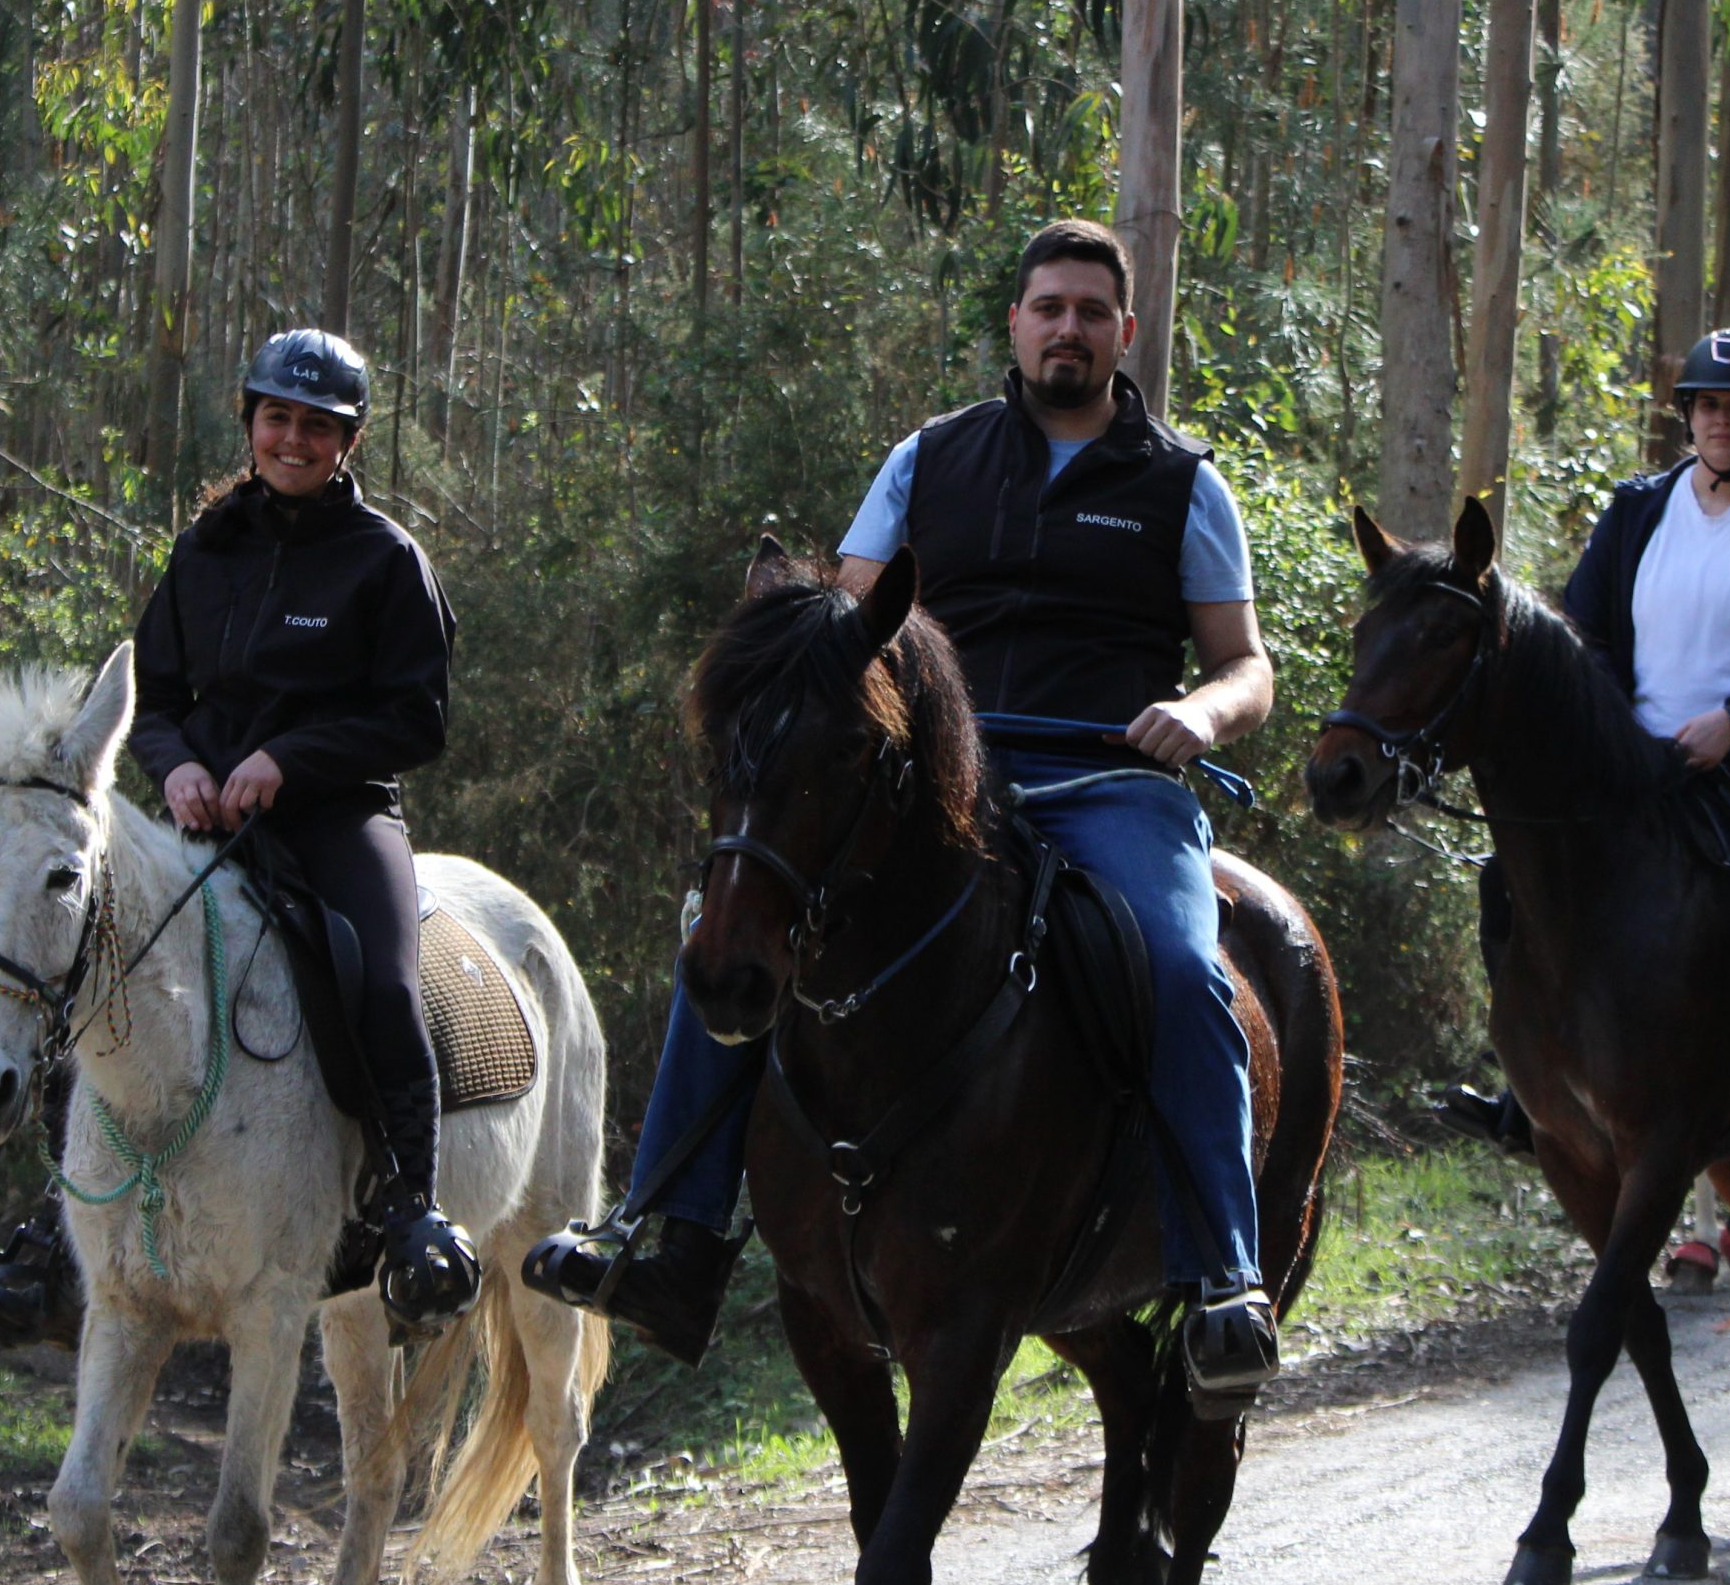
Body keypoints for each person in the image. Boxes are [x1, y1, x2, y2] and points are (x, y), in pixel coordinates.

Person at [542, 220, 1284, 1396]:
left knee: (1188, 969)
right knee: (731, 919)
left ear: (1125, 333)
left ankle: (1220, 1279)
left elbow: (1248, 664)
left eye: (1093, 312)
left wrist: (1200, 714)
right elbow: (841, 641)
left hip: (1107, 783)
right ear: (1017, 322)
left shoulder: (1183, 485)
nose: (1069, 329)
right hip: (942, 789)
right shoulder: (929, 459)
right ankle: (671, 1233)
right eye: (1049, 307)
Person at [0, 331, 479, 1348]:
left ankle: (413, 1211)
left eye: (318, 426)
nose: (294, 439)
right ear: (250, 423)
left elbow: (419, 719)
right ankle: (66, 1240)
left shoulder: (387, 562)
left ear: (348, 441)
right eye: (278, 418)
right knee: (88, 954)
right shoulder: (205, 551)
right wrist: (178, 763)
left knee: (382, 983)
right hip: (204, 821)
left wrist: (291, 758)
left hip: (334, 819)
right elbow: (154, 697)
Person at [1441, 326, 1730, 1169]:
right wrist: (1618, 728)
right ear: (1689, 415)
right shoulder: (1638, 510)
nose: (1724, 420)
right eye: (1711, 404)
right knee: (1510, 877)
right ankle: (1527, 1081)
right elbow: (1589, 631)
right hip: (1639, 758)